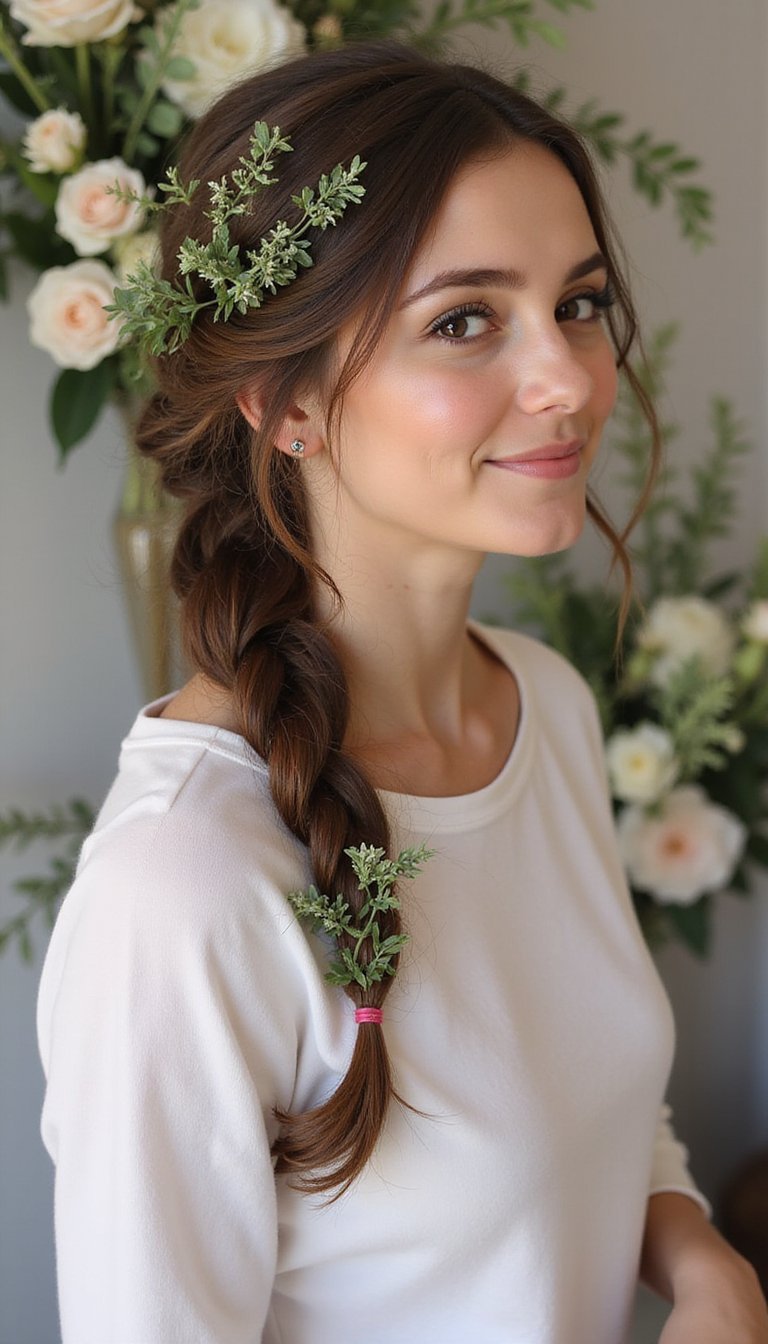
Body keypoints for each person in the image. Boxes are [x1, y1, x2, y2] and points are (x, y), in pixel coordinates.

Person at [36, 39, 768, 1344]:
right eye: (465, 320)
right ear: (285, 401)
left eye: (581, 302)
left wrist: (704, 1260)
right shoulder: (186, 887)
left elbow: (592, 1107)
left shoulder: (545, 708)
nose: (568, 380)